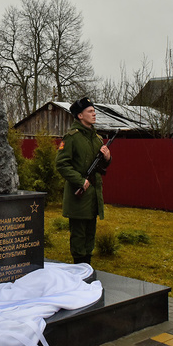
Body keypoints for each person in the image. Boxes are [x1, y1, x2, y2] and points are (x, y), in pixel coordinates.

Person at [55, 98, 111, 266]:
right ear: (80, 115)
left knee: (89, 235)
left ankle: (87, 268)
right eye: (90, 111)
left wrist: (107, 157)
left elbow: (101, 167)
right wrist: (80, 180)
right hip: (79, 196)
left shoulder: (97, 139)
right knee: (79, 236)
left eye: (94, 111)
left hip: (93, 196)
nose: (94, 114)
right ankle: (79, 271)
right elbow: (61, 164)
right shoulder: (72, 138)